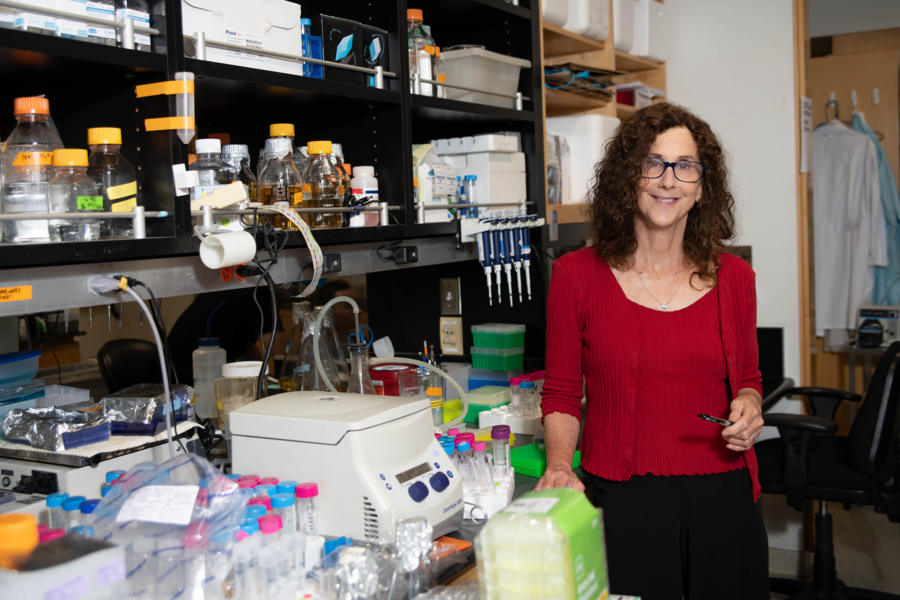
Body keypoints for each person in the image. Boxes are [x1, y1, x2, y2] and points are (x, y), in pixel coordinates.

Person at [536, 103, 768, 599]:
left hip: (723, 490)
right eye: (653, 163)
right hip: (626, 494)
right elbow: (559, 392)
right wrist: (559, 464)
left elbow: (748, 377)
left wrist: (749, 405)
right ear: (628, 177)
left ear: (702, 186)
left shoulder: (735, 278)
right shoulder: (576, 276)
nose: (668, 180)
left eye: (685, 166)